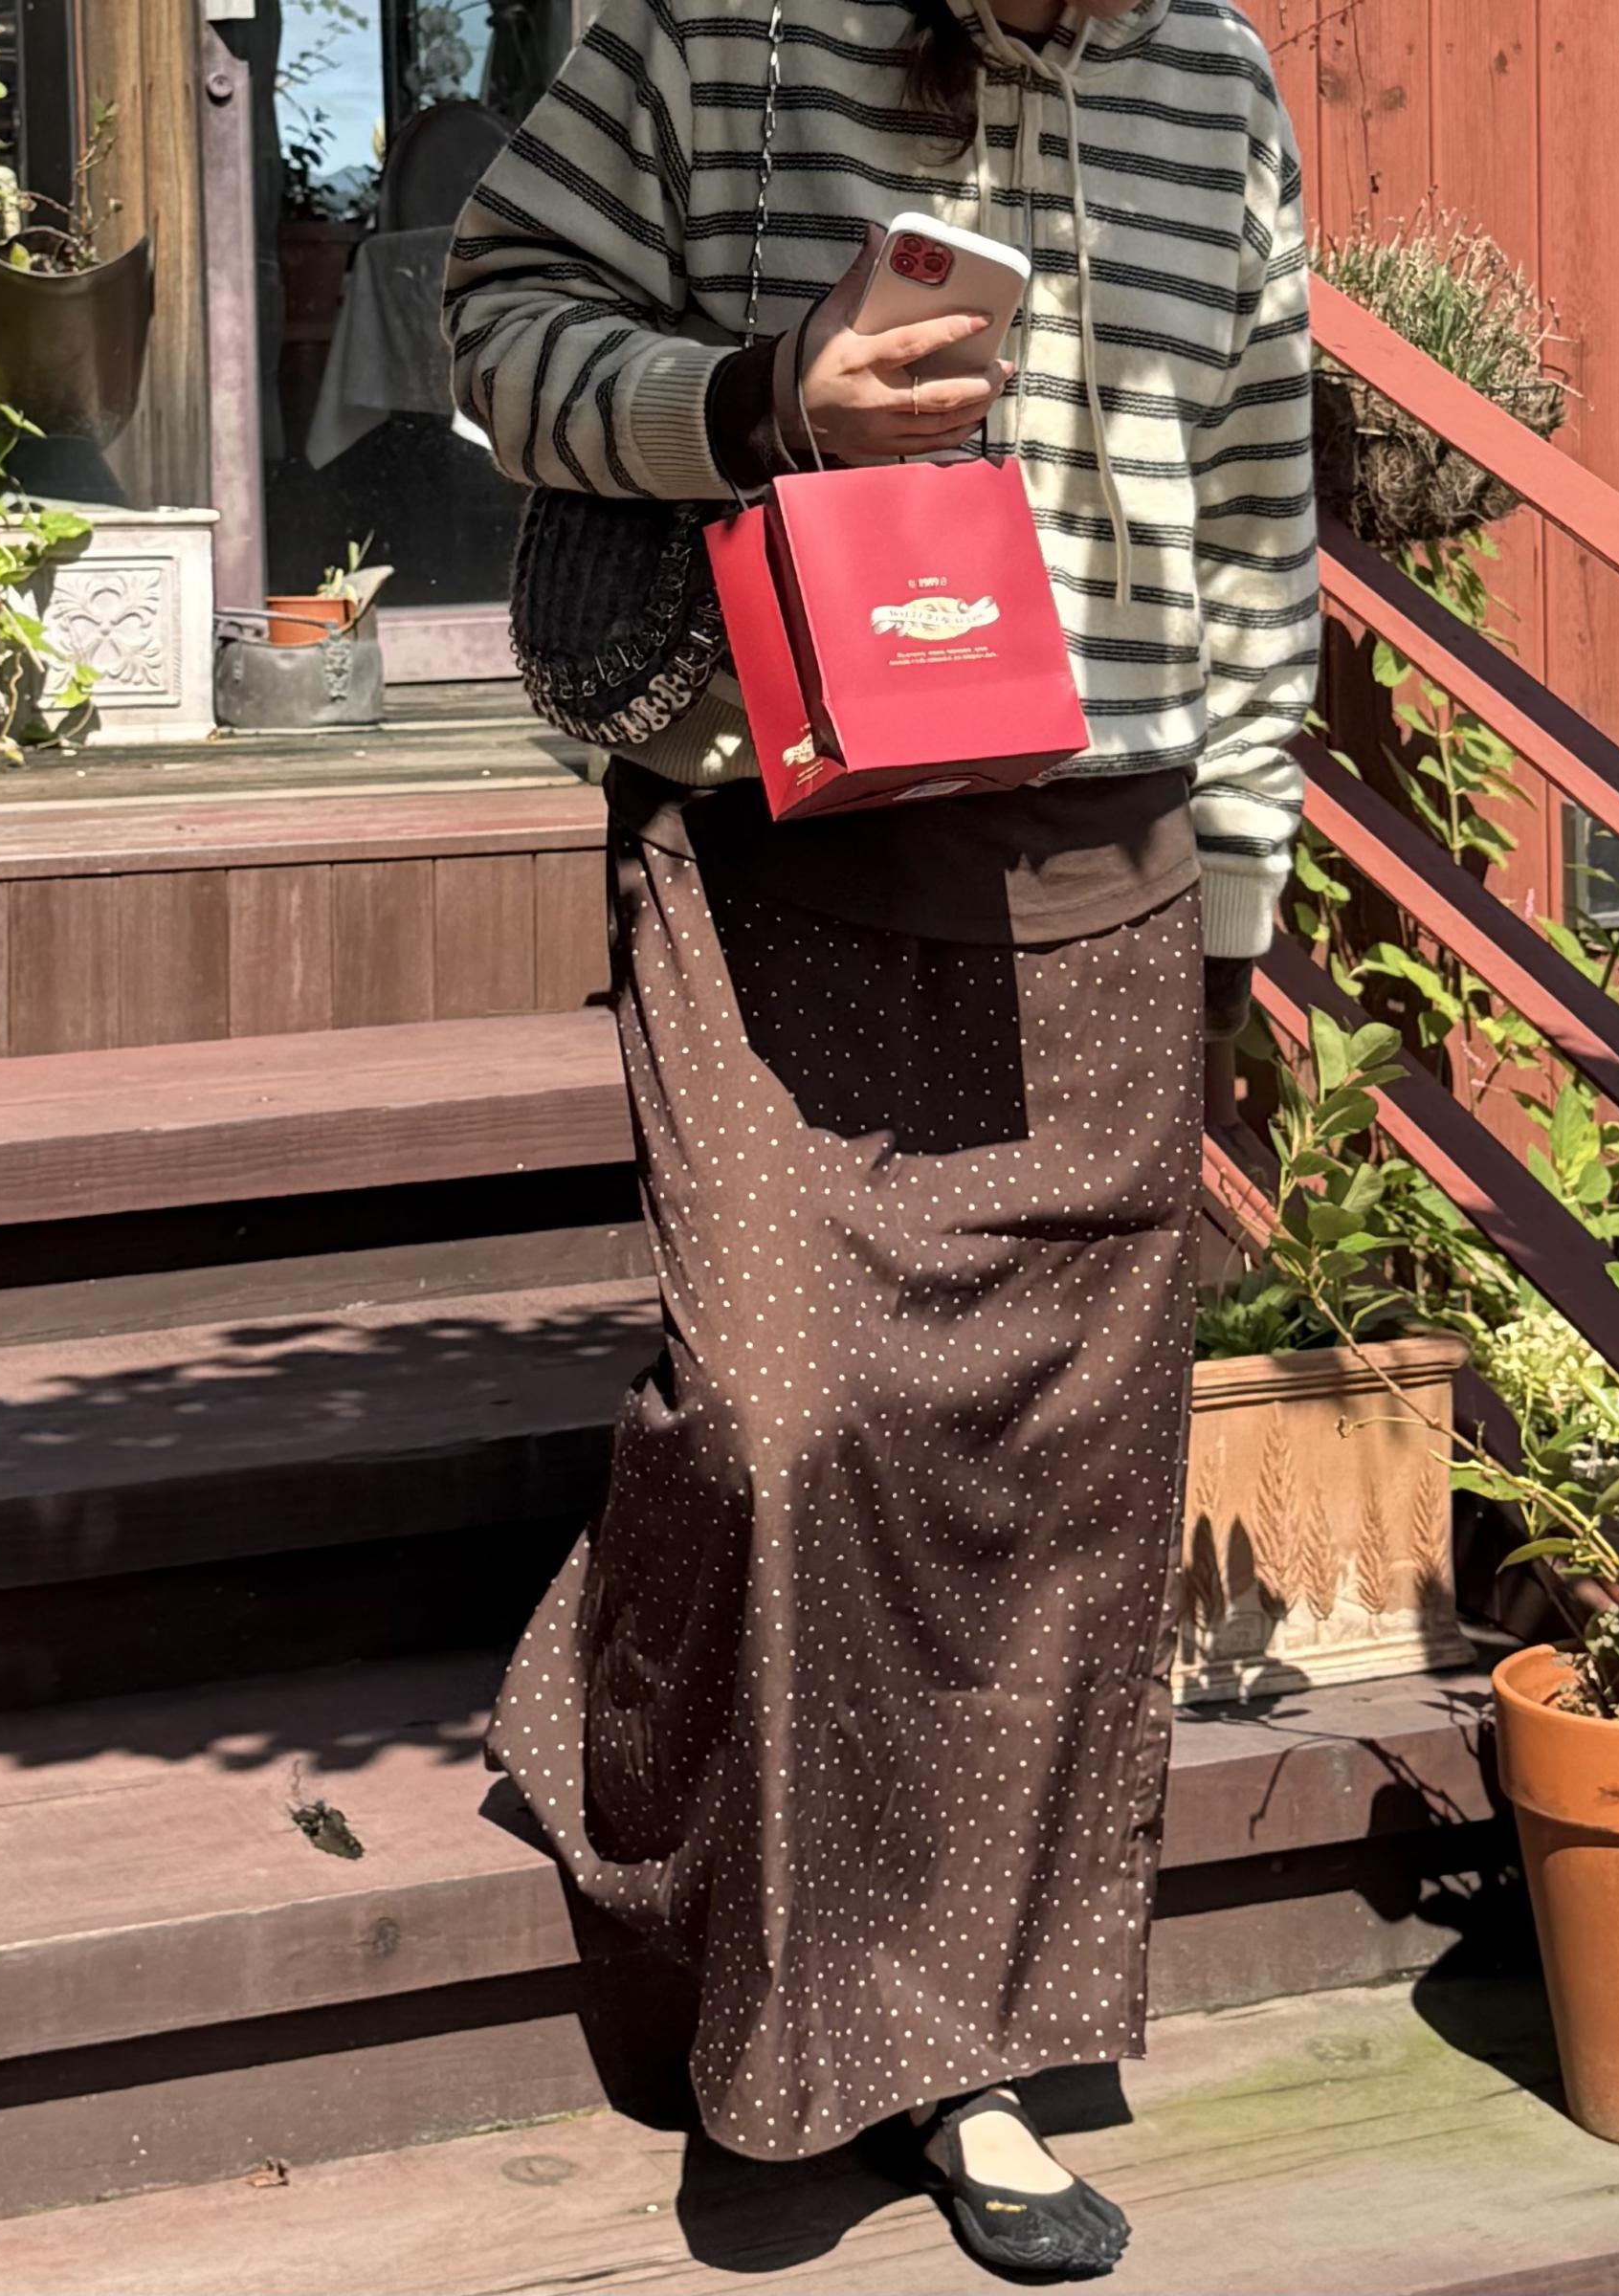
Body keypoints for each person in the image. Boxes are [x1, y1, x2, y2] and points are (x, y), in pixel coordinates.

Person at [445, 0, 1317, 2276]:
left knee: (1050, 1482)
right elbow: (497, 326)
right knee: (780, 1421)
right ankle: (630, 1738)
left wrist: (1239, 909)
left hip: (1109, 868)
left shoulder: (1217, 88)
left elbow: (1254, 521)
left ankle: (968, 2058)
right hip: (771, 852)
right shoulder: (710, 30)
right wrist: (761, 398)